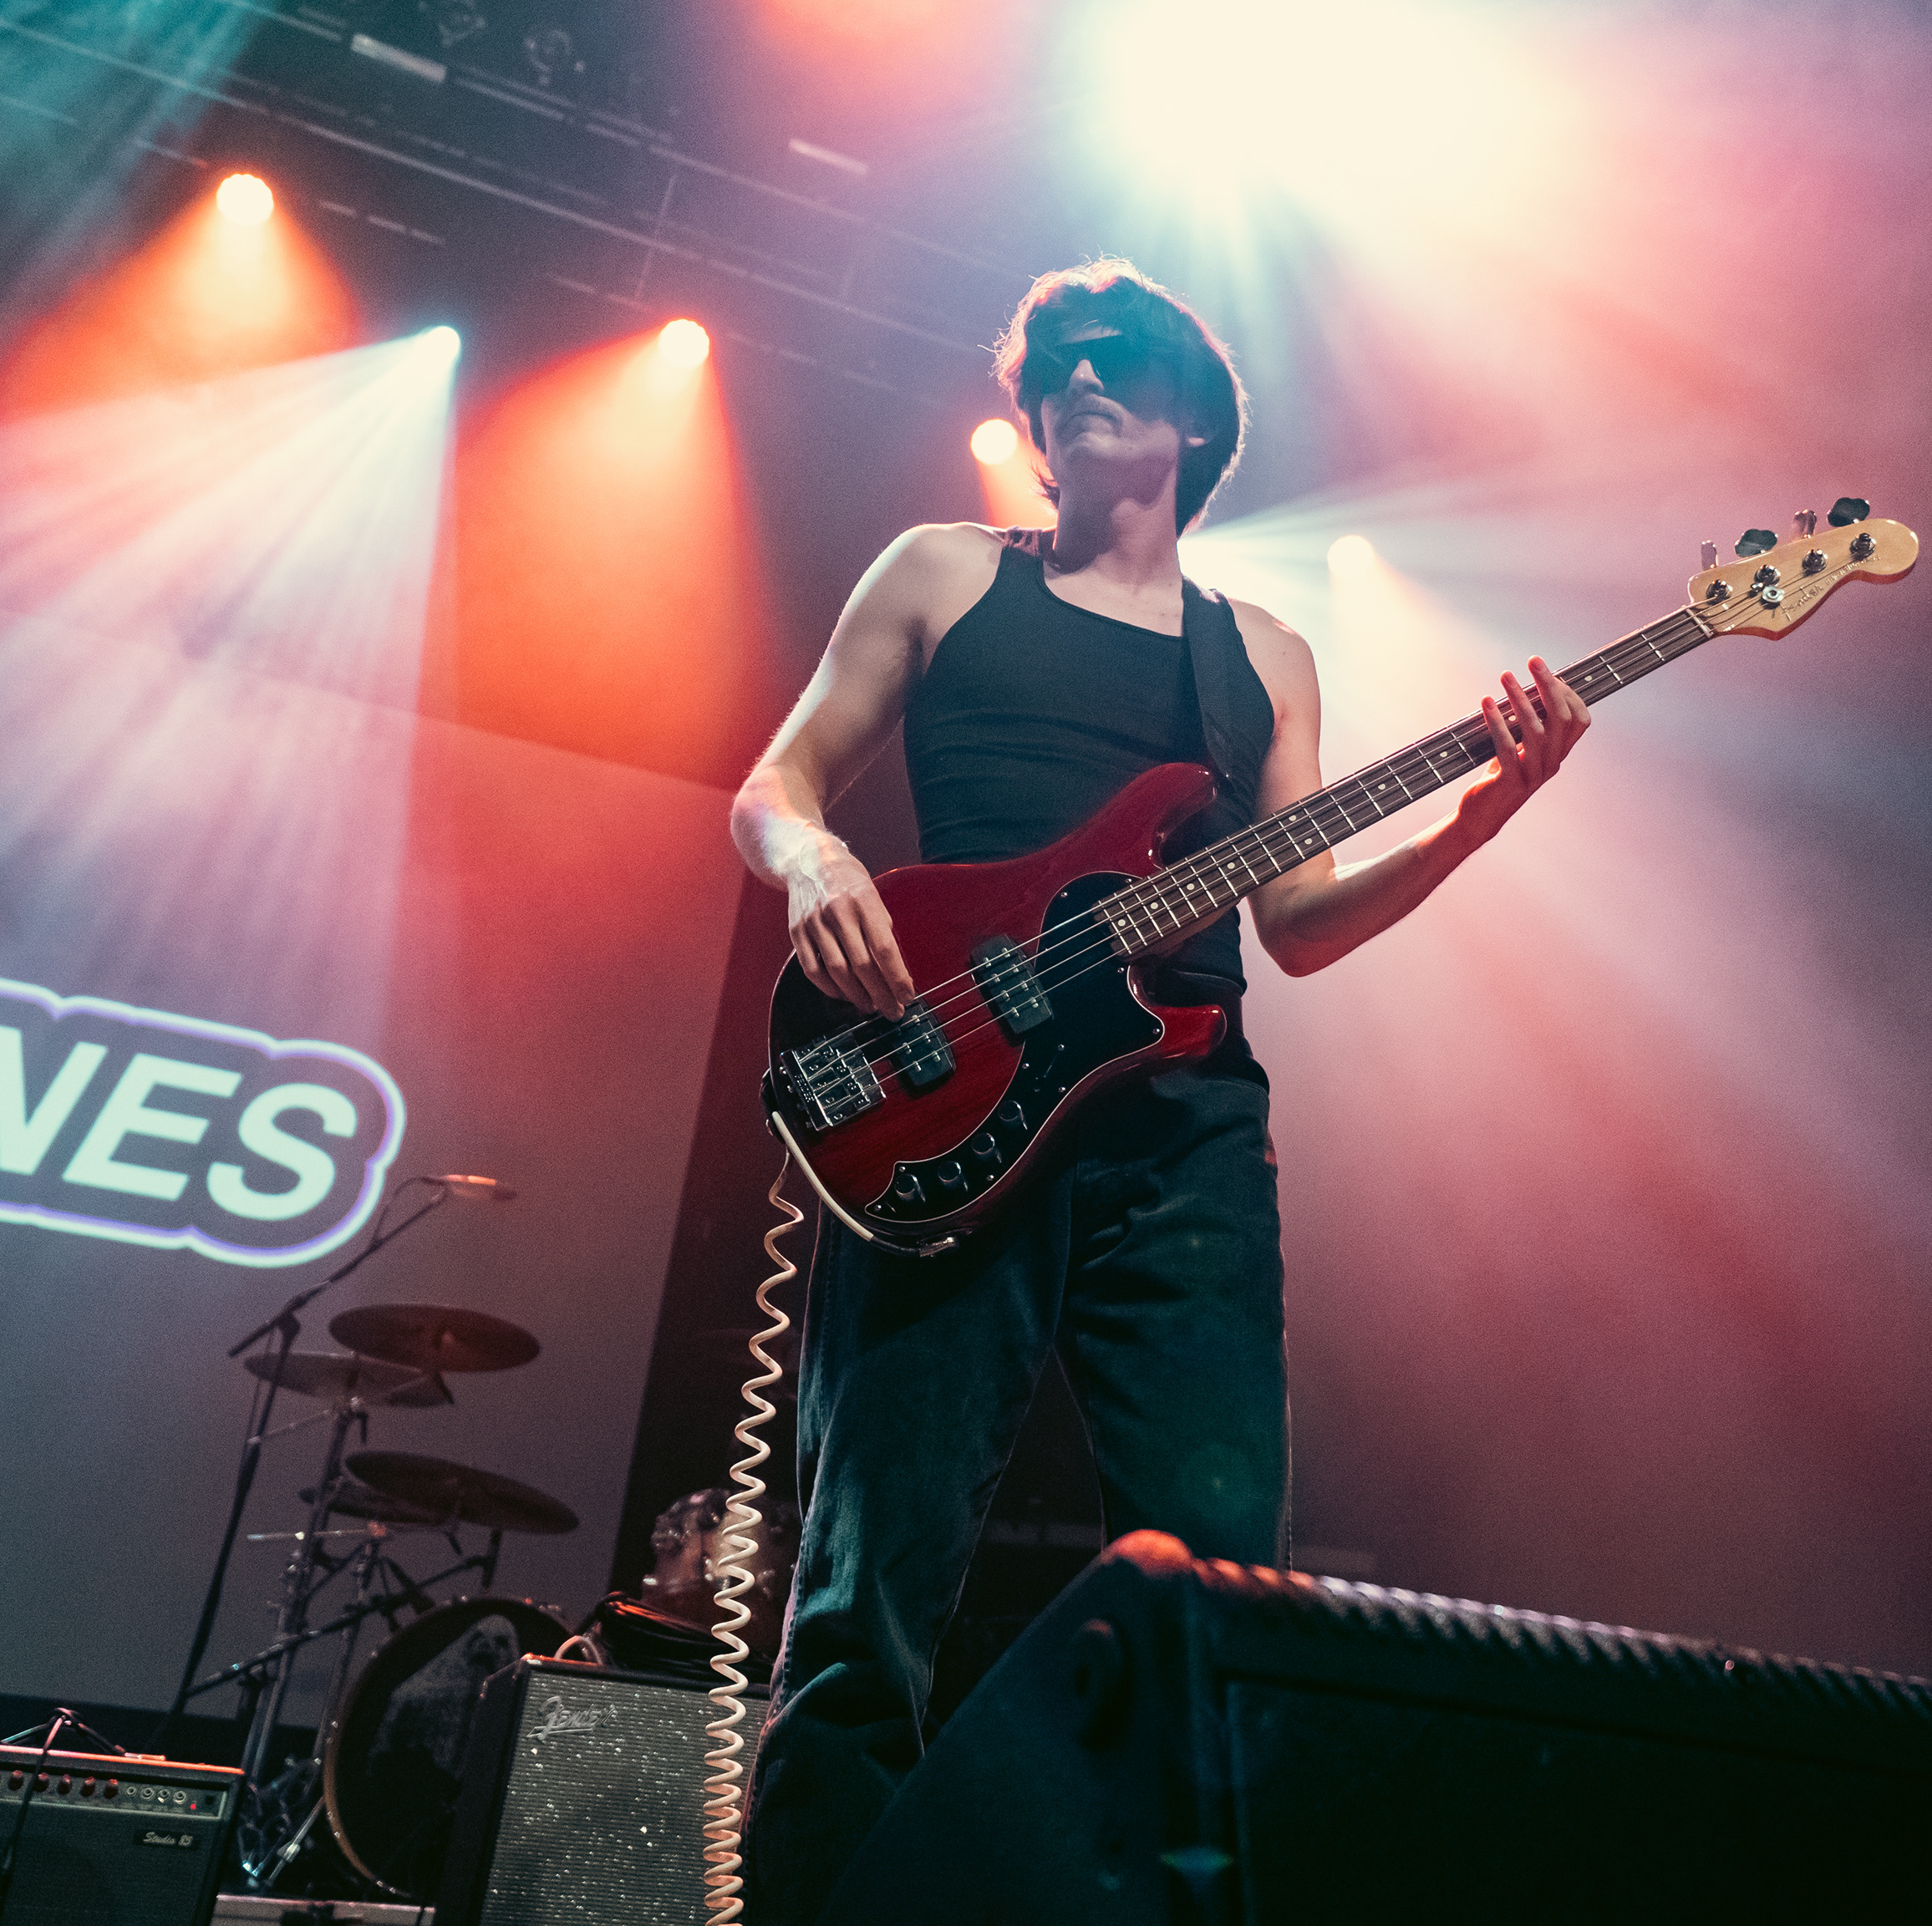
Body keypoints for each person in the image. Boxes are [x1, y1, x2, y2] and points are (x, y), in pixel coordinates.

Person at [730, 257, 1589, 1918]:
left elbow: (1301, 921)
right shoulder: (941, 571)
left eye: (1116, 355)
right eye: (1053, 362)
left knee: (1220, 1600)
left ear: (1196, 420)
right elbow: (779, 778)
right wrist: (813, 855)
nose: (1077, 377)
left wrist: (1481, 812)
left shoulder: (1257, 654)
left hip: (1182, 1135)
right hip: (940, 1099)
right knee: (863, 1605)